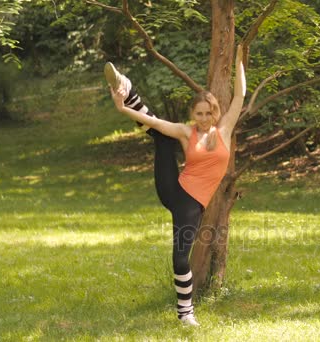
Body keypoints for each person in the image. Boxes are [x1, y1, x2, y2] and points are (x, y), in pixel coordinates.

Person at [104, 45, 246, 327]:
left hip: (193, 204)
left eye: (208, 113)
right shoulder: (186, 132)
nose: (203, 118)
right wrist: (122, 110)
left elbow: (240, 95)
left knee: (181, 260)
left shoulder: (224, 131)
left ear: (215, 112)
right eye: (199, 114)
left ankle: (185, 311)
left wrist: (240, 61)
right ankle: (127, 90)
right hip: (174, 191)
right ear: (193, 115)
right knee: (161, 135)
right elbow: (154, 121)